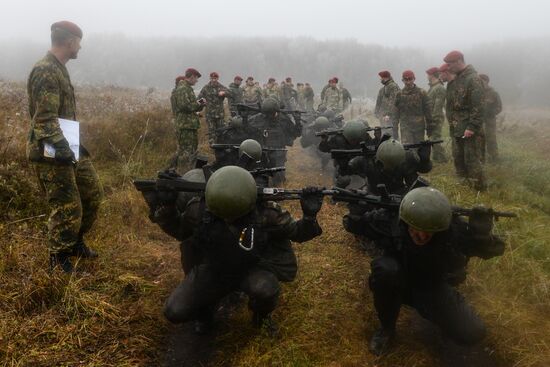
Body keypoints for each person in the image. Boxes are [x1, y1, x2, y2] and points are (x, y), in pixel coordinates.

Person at [343, 187, 506, 355]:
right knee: (386, 270)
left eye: (429, 231)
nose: (421, 235)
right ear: (405, 222)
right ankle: (387, 329)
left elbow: (496, 250)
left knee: (473, 332)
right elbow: (354, 225)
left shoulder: (454, 231)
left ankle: (439, 319)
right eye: (415, 228)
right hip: (397, 280)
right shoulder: (389, 220)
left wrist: (482, 236)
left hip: (432, 287)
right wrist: (356, 213)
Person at [162, 166, 325, 334]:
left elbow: (298, 233)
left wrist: (309, 217)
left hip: (252, 268)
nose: (228, 219)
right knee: (174, 311)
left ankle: (261, 316)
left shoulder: (267, 213)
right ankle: (204, 313)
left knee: (266, 289)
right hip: (215, 269)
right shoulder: (198, 209)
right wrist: (167, 206)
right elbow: (180, 231)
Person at [26, 21, 103, 273]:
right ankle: (58, 260)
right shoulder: (46, 70)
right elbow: (45, 120)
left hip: (67, 147)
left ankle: (74, 242)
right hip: (50, 151)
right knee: (67, 206)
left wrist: (76, 147)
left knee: (92, 194)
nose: (80, 46)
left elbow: (62, 118)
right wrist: (63, 148)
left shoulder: (59, 69)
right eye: (79, 42)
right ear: (70, 42)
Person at [444, 50, 486, 191]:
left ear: (459, 61)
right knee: (459, 158)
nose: (448, 68)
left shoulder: (473, 79)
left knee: (472, 160)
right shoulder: (458, 80)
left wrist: (472, 127)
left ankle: (479, 190)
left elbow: (478, 106)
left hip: (469, 129)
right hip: (457, 128)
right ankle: (464, 187)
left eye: (450, 64)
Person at [248, 98, 301, 185]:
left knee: (278, 178)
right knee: (260, 177)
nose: (268, 117)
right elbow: (247, 130)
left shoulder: (284, 120)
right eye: (266, 114)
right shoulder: (257, 118)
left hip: (278, 152)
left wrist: (297, 121)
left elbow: (296, 133)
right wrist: (244, 119)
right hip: (262, 152)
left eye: (271, 114)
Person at [171, 68, 206, 174]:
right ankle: (182, 174)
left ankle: (187, 172)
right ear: (191, 76)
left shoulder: (187, 88)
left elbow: (191, 106)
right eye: (196, 78)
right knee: (185, 152)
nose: (197, 80)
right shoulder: (183, 88)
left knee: (191, 151)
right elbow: (184, 106)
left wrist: (200, 105)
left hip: (190, 125)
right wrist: (198, 104)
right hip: (185, 126)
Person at [318, 120, 373, 188]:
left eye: (356, 139)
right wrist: (324, 140)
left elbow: (373, 151)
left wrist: (377, 138)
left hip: (359, 169)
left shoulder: (366, 139)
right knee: (344, 180)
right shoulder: (339, 139)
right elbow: (323, 148)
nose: (354, 141)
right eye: (352, 139)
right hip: (343, 169)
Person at [394, 70, 433, 144]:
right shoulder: (399, 94)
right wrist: (395, 129)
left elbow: (428, 111)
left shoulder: (422, 93)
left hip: (419, 128)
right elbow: (396, 113)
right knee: (408, 150)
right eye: (406, 79)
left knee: (419, 149)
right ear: (402, 80)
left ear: (414, 79)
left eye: (410, 79)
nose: (408, 82)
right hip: (405, 128)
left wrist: (430, 126)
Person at [426, 67, 448, 162]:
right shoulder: (433, 87)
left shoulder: (439, 88)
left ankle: (442, 160)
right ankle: (436, 159)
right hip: (431, 118)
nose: (427, 76)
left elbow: (438, 107)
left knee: (436, 139)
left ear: (431, 75)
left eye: (428, 74)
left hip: (436, 118)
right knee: (432, 139)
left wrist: (433, 120)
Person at [479, 74, 502, 163]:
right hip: (479, 121)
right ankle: (481, 159)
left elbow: (499, 107)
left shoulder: (494, 93)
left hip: (490, 121)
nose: (480, 83)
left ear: (486, 81)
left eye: (482, 80)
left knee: (491, 140)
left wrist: (492, 113)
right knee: (480, 140)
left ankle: (494, 159)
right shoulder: (477, 92)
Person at [198, 72, 229, 140]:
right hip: (210, 115)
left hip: (220, 114)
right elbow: (199, 99)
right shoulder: (206, 87)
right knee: (212, 132)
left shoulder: (221, 87)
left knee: (221, 131)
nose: (213, 80)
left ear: (217, 78)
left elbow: (230, 93)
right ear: (210, 78)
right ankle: (213, 147)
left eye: (215, 78)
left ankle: (221, 147)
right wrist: (203, 103)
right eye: (212, 78)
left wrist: (224, 93)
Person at [375, 71, 400, 139]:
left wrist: (388, 114)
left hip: (390, 117)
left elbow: (394, 101)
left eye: (382, 78)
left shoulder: (393, 87)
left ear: (386, 77)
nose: (381, 79)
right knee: (385, 135)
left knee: (392, 136)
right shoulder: (383, 89)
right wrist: (376, 113)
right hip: (384, 117)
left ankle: (394, 148)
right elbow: (378, 102)